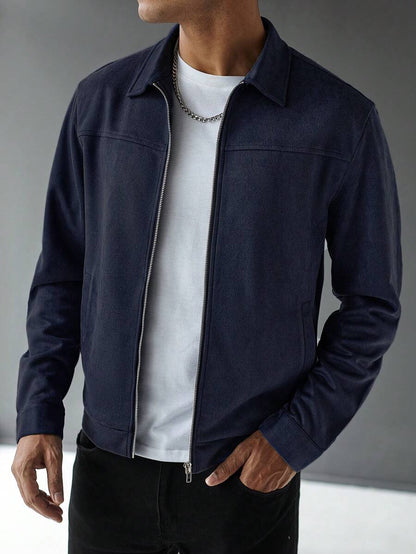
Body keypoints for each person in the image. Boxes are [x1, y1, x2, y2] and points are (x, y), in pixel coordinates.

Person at [11, 1, 402, 553]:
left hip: (242, 482)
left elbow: (372, 304)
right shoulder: (102, 103)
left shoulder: (336, 119)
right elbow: (61, 274)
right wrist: (38, 411)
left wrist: (294, 437)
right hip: (108, 475)